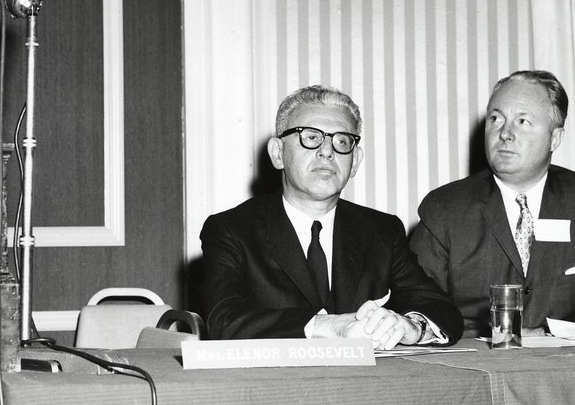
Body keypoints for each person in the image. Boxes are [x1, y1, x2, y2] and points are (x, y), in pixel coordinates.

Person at [198, 85, 463, 347]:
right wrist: (329, 327)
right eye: (311, 137)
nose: (327, 151)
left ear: (355, 161)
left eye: (341, 141)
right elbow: (223, 321)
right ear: (278, 154)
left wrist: (412, 327)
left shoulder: (382, 231)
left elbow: (442, 309)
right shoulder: (231, 229)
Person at [410, 70, 575, 337]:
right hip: (475, 365)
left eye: (523, 121)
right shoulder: (444, 209)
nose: (504, 133)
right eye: (495, 119)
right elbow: (415, 307)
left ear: (555, 138)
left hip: (569, 367)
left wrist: (547, 332)